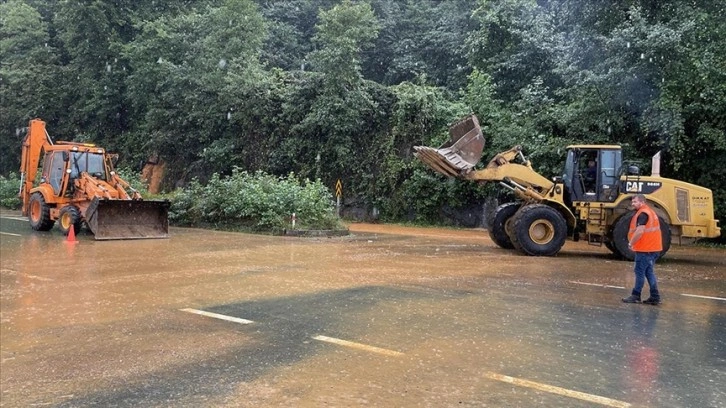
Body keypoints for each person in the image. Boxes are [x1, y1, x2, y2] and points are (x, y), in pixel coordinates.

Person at [622, 194, 662, 305]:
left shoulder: (643, 214)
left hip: (645, 249)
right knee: (649, 272)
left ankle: (636, 295)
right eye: (632, 202)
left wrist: (631, 243)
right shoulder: (650, 212)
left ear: (642, 202)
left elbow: (640, 231)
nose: (633, 204)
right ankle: (655, 297)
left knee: (639, 272)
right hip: (654, 248)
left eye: (635, 202)